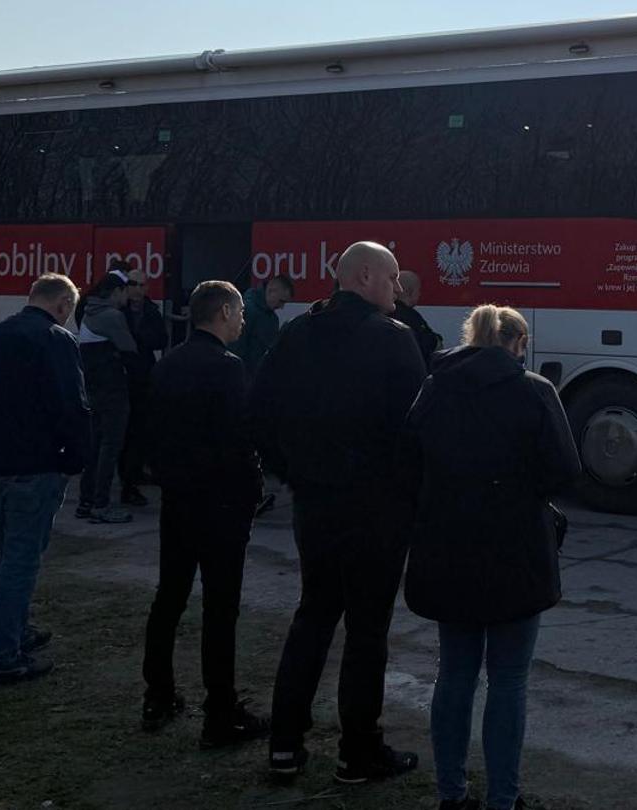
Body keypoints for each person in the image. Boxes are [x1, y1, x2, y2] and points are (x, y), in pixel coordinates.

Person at [255, 241, 426, 784]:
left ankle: (284, 743)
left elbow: (259, 412)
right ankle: (358, 751)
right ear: (366, 276)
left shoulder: (296, 334)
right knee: (367, 630)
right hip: (376, 512)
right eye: (394, 278)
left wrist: (295, 472)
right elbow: (414, 434)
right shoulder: (393, 341)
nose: (399, 289)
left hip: (316, 504)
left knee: (314, 614)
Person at [404, 305, 579, 810]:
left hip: (447, 548)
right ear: (518, 342)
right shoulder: (534, 391)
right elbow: (564, 470)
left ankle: (451, 794)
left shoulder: (435, 387)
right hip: (516, 550)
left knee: (454, 673)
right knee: (509, 678)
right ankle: (504, 797)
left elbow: (408, 461)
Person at [140, 280, 269, 747]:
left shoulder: (168, 364)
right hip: (221, 505)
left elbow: (149, 429)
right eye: (238, 314)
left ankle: (158, 692)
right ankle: (220, 712)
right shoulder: (228, 368)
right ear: (223, 313)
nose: (242, 322)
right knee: (220, 609)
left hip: (177, 501)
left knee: (169, 598)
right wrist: (253, 491)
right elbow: (241, 438)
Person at [0, 273, 92, 685]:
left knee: (10, 553)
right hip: (37, 467)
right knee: (22, 560)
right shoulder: (56, 340)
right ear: (64, 306)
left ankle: (18, 629)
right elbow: (74, 407)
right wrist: (76, 459)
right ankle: (4, 654)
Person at [74, 266, 142, 524]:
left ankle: (86, 502)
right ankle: (101, 504)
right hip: (112, 390)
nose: (130, 296)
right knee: (110, 448)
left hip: (93, 389)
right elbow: (130, 350)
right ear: (117, 291)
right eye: (127, 290)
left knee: (95, 447)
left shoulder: (89, 310)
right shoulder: (112, 316)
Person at [120, 277, 167, 508]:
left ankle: (136, 474)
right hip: (123, 377)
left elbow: (161, 339)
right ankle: (126, 485)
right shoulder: (118, 311)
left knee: (142, 429)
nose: (138, 289)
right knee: (124, 434)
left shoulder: (152, 311)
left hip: (145, 376)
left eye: (142, 284)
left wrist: (139, 339)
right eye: (133, 284)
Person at [230, 275, 292, 377]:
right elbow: (236, 347)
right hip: (246, 377)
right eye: (281, 301)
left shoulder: (272, 319)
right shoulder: (248, 310)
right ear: (272, 290)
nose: (281, 307)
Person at [392, 270, 443, 367]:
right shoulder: (412, 317)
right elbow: (430, 343)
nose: (419, 294)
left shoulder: (383, 313)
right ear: (411, 292)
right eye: (418, 290)